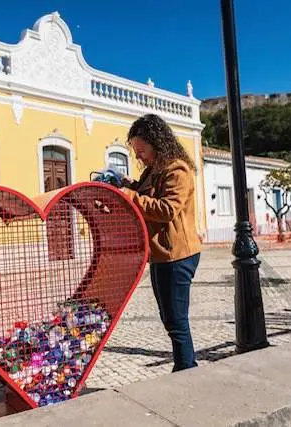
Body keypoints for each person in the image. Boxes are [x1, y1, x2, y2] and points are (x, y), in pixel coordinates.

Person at [120, 113, 202, 372]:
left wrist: (131, 196)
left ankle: (185, 370)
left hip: (177, 254)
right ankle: (187, 366)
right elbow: (147, 195)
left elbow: (167, 209)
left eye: (141, 150)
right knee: (169, 318)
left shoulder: (177, 168)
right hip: (160, 253)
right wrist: (128, 185)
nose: (139, 157)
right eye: (136, 151)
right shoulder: (153, 171)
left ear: (156, 142)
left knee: (177, 320)